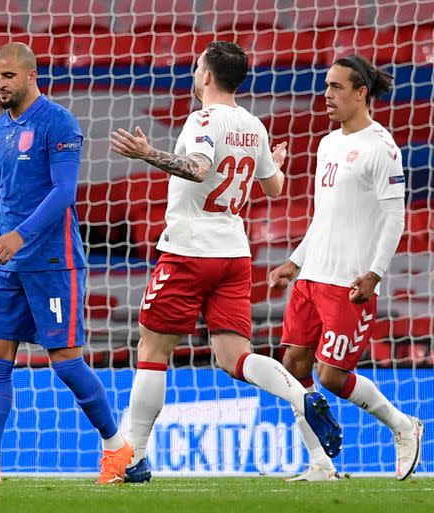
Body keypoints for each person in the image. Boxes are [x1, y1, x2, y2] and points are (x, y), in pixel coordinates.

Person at [109, 41, 341, 483]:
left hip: (188, 251)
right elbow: (274, 188)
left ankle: (132, 458)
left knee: (154, 351)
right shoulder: (253, 125)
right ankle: (298, 394)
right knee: (235, 356)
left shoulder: (204, 120)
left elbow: (197, 169)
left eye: (197, 68)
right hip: (233, 255)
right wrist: (275, 163)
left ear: (207, 77)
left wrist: (147, 155)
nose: (195, 75)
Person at [0, 42, 133, 485]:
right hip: (6, 265)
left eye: (8, 76)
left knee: (66, 361)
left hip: (52, 261)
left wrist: (19, 235)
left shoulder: (58, 121)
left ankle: (116, 446)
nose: (0, 83)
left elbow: (64, 191)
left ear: (31, 75)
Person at [268, 54, 423, 481]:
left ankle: (402, 426)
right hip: (313, 276)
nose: (326, 95)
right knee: (294, 364)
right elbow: (324, 215)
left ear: (361, 93)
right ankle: (320, 464)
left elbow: (395, 217)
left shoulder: (381, 147)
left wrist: (375, 274)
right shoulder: (328, 143)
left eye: (336, 87)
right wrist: (296, 262)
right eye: (325, 87)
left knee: (332, 375)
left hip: (349, 281)